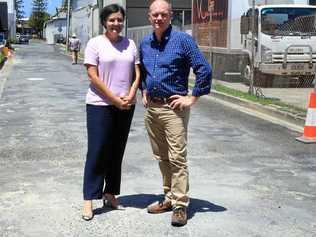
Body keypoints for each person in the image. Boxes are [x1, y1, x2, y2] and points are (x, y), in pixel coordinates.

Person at [140, 0, 212, 227]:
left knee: (177, 158)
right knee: (161, 157)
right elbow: (143, 70)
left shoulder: (183, 40)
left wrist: (192, 98)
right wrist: (144, 90)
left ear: (171, 16)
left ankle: (180, 205)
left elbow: (204, 69)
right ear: (149, 17)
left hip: (173, 110)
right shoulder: (145, 42)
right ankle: (168, 198)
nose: (159, 18)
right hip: (152, 109)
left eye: (163, 14)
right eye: (155, 15)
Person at [82, 4, 140, 221]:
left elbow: (137, 71)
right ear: (104, 22)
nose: (116, 23)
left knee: (117, 151)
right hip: (100, 104)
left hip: (125, 105)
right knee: (97, 151)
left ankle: (110, 193)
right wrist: (114, 99)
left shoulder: (130, 44)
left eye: (119, 19)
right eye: (112, 20)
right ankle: (89, 198)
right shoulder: (95, 43)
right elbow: (93, 76)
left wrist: (132, 93)